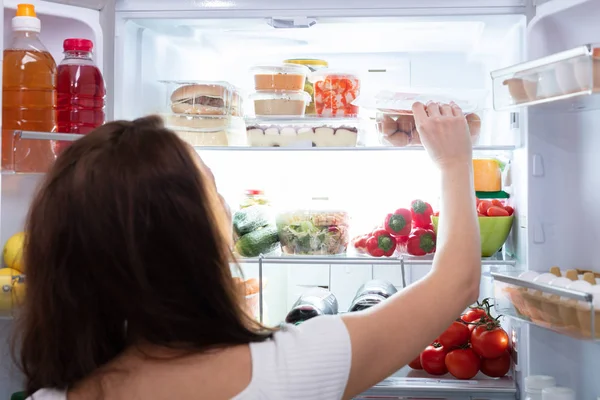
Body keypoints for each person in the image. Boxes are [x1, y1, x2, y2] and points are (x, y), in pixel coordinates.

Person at [16, 101, 480, 400]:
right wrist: (455, 161)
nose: (226, 203)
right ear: (191, 236)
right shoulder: (292, 368)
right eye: (213, 188)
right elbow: (455, 281)